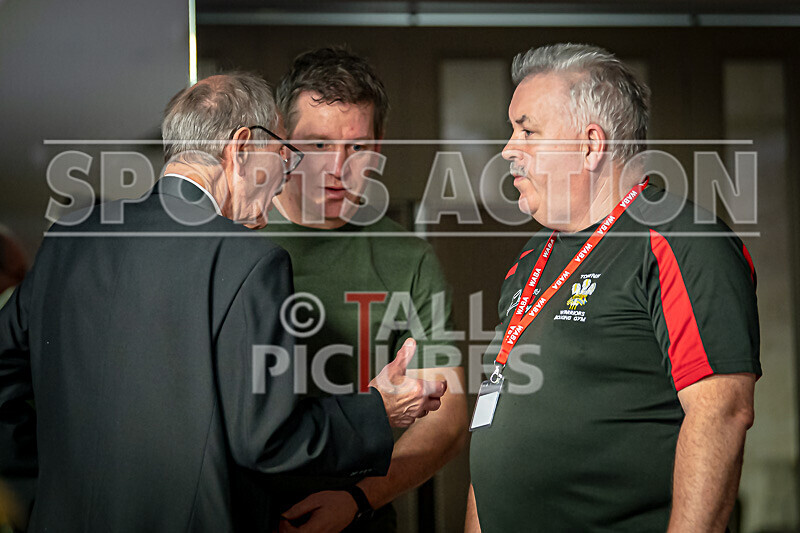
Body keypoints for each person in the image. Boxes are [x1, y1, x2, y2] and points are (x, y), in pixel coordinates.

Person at [0, 72, 446, 533]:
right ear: (242, 148)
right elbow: (267, 439)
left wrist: (36, 490)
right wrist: (377, 409)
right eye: (283, 155)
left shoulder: (69, 237)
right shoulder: (251, 261)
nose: (284, 179)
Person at [466, 44, 760, 532]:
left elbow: (721, 414)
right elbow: (497, 419)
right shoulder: (532, 258)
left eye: (527, 130)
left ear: (590, 145)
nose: (508, 150)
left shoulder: (679, 242)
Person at [266, 47, 468, 532]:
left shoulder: (408, 258)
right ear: (282, 140)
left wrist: (358, 498)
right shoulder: (233, 238)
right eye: (317, 144)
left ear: (378, 147)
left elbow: (449, 414)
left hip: (360, 518)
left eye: (356, 147)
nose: (337, 167)